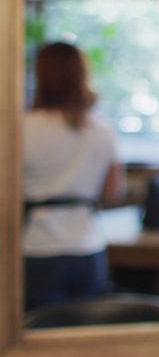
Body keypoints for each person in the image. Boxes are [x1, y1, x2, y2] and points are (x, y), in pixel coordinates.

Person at [23, 42, 125, 312]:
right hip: (88, 247)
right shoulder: (102, 130)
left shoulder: (23, 128)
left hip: (37, 246)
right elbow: (113, 191)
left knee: (38, 339)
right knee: (83, 337)